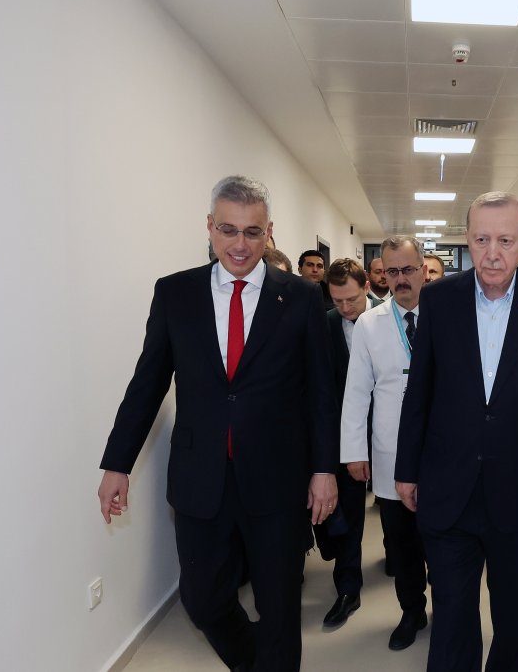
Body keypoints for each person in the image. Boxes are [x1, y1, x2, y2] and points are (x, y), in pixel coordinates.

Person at [96, 175, 339, 672]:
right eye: (228, 230)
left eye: (252, 232)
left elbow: (320, 393)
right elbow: (147, 383)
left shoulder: (299, 298)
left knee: (278, 609)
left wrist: (323, 469)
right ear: (210, 227)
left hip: (276, 478)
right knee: (202, 600)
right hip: (199, 476)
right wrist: (117, 464)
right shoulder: (175, 294)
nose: (240, 244)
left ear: (268, 232)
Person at [395, 191, 518, 672]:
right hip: (448, 485)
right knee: (453, 619)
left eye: (505, 240)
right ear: (467, 238)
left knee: (515, 620)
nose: (492, 253)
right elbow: (418, 389)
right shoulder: (439, 299)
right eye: (482, 239)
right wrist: (406, 469)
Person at [342, 236, 432, 650]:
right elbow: (357, 392)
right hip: (390, 452)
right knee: (402, 542)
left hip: (443, 454)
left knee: (445, 543)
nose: (400, 279)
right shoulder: (369, 323)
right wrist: (355, 451)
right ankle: (411, 611)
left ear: (423, 270)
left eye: (408, 270)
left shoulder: (447, 316)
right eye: (392, 271)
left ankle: (448, 612)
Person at [319, 258, 382, 630]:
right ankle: (347, 587)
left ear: (366, 288)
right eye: (337, 301)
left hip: (390, 432)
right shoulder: (326, 325)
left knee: (402, 511)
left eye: (352, 300)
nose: (345, 308)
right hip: (347, 435)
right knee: (351, 513)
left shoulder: (391, 318)